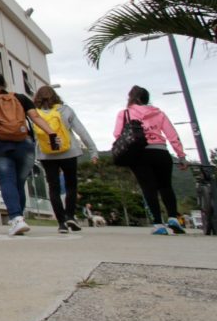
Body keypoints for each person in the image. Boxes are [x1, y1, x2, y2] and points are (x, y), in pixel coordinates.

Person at [0, 70, 59, 236]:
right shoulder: (21, 98)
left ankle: (16, 219)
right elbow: (35, 118)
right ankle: (19, 218)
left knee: (7, 181)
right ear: (5, 85)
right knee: (19, 183)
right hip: (24, 144)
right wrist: (51, 133)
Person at [114, 85, 187, 235]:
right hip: (160, 151)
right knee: (166, 186)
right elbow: (172, 134)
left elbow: (117, 134)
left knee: (148, 188)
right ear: (147, 99)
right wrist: (181, 155)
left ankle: (158, 224)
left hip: (139, 154)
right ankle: (173, 217)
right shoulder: (158, 113)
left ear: (131, 98)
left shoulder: (125, 113)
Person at [33, 85, 99, 234]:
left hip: (46, 154)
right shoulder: (65, 110)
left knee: (53, 187)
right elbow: (81, 131)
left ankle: (61, 223)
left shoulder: (34, 113)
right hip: (69, 151)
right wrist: (92, 150)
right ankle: (70, 216)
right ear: (55, 96)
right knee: (71, 185)